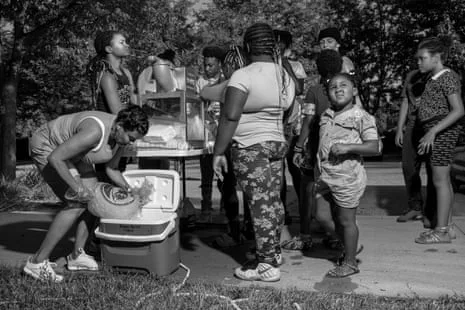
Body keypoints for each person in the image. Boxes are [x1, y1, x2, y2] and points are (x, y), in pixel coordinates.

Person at [23, 105, 149, 282]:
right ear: (119, 125)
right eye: (131, 137)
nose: (131, 142)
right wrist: (76, 188)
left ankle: (77, 255)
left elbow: (111, 169)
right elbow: (56, 158)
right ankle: (37, 262)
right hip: (48, 146)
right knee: (76, 202)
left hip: (73, 155)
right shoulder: (94, 132)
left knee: (93, 200)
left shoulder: (119, 138)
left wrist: (131, 191)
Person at [213, 22, 296, 282]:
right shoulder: (285, 76)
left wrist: (218, 152)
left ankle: (266, 265)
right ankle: (272, 251)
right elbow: (290, 114)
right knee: (272, 201)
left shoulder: (243, 75)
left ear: (248, 47)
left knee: (259, 204)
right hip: (277, 144)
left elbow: (230, 116)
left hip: (250, 146)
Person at [315, 72, 380, 278]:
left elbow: (374, 147)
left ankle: (350, 262)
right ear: (328, 94)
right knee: (322, 215)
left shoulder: (361, 116)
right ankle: (350, 245)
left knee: (345, 220)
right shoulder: (325, 115)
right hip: (326, 175)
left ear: (354, 91)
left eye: (344, 85)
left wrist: (348, 147)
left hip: (347, 178)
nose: (338, 89)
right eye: (333, 87)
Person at [289, 50, 344, 251]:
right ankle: (335, 235)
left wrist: (298, 146)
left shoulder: (314, 91)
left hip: (315, 148)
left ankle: (304, 235)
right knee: (335, 194)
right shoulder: (345, 90)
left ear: (318, 68)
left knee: (307, 190)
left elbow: (308, 120)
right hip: (339, 150)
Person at [414, 36, 464, 244]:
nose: (419, 62)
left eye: (422, 58)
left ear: (436, 58)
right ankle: (448, 227)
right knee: (444, 181)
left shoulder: (447, 76)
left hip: (443, 132)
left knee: (440, 181)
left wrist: (433, 131)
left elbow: (459, 110)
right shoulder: (434, 79)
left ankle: (441, 231)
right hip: (437, 131)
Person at [200, 45, 251, 247]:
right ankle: (249, 230)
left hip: (232, 142)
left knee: (227, 186)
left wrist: (218, 151)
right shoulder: (253, 81)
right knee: (250, 190)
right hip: (250, 141)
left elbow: (205, 92)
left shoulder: (230, 84)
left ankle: (234, 231)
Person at [274, 29, 306, 227]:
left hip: (292, 125)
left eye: (280, 43)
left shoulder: (295, 65)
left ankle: (304, 210)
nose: (276, 47)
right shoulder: (267, 67)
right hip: (275, 124)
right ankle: (281, 212)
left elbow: (299, 88)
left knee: (296, 169)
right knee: (278, 173)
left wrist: (285, 64)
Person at [395, 69, 436, 223]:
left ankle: (430, 213)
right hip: (412, 126)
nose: (419, 62)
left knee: (433, 170)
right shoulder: (411, 76)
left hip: (431, 125)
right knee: (408, 168)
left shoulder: (438, 76)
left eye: (422, 58)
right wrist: (400, 128)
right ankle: (415, 207)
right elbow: (405, 101)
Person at [195, 46, 226, 217]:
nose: (207, 69)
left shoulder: (226, 80)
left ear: (219, 65)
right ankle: (205, 205)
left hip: (222, 132)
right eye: (205, 65)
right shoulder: (200, 81)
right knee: (206, 171)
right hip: (206, 132)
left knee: (223, 173)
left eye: (211, 65)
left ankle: (224, 206)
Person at [87, 30, 137, 114]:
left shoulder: (126, 72)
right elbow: (117, 112)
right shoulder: (107, 76)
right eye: (122, 43)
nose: (127, 45)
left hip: (125, 119)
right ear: (109, 49)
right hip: (110, 123)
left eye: (126, 42)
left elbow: (133, 100)